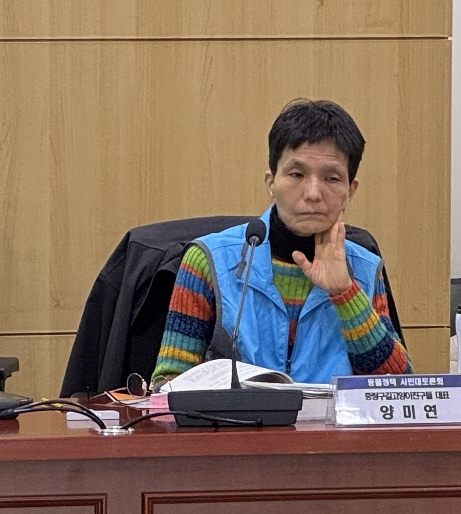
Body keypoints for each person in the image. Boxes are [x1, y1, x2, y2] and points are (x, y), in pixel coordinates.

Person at [152, 99, 411, 385]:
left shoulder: (365, 268)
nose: (313, 193)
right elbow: (167, 383)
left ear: (350, 191)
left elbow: (397, 386)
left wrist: (345, 292)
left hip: (331, 416)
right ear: (271, 183)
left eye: (331, 178)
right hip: (237, 415)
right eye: (297, 175)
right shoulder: (208, 260)